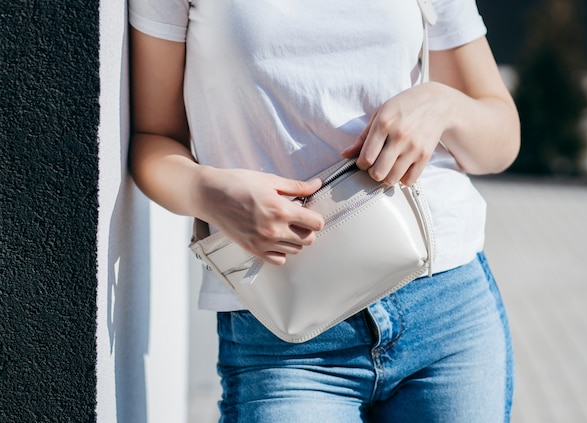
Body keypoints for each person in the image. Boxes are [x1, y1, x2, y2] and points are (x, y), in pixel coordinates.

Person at [128, 0, 520, 421]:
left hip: (445, 305)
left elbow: (500, 140)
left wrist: (443, 105)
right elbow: (152, 136)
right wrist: (208, 192)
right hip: (284, 335)